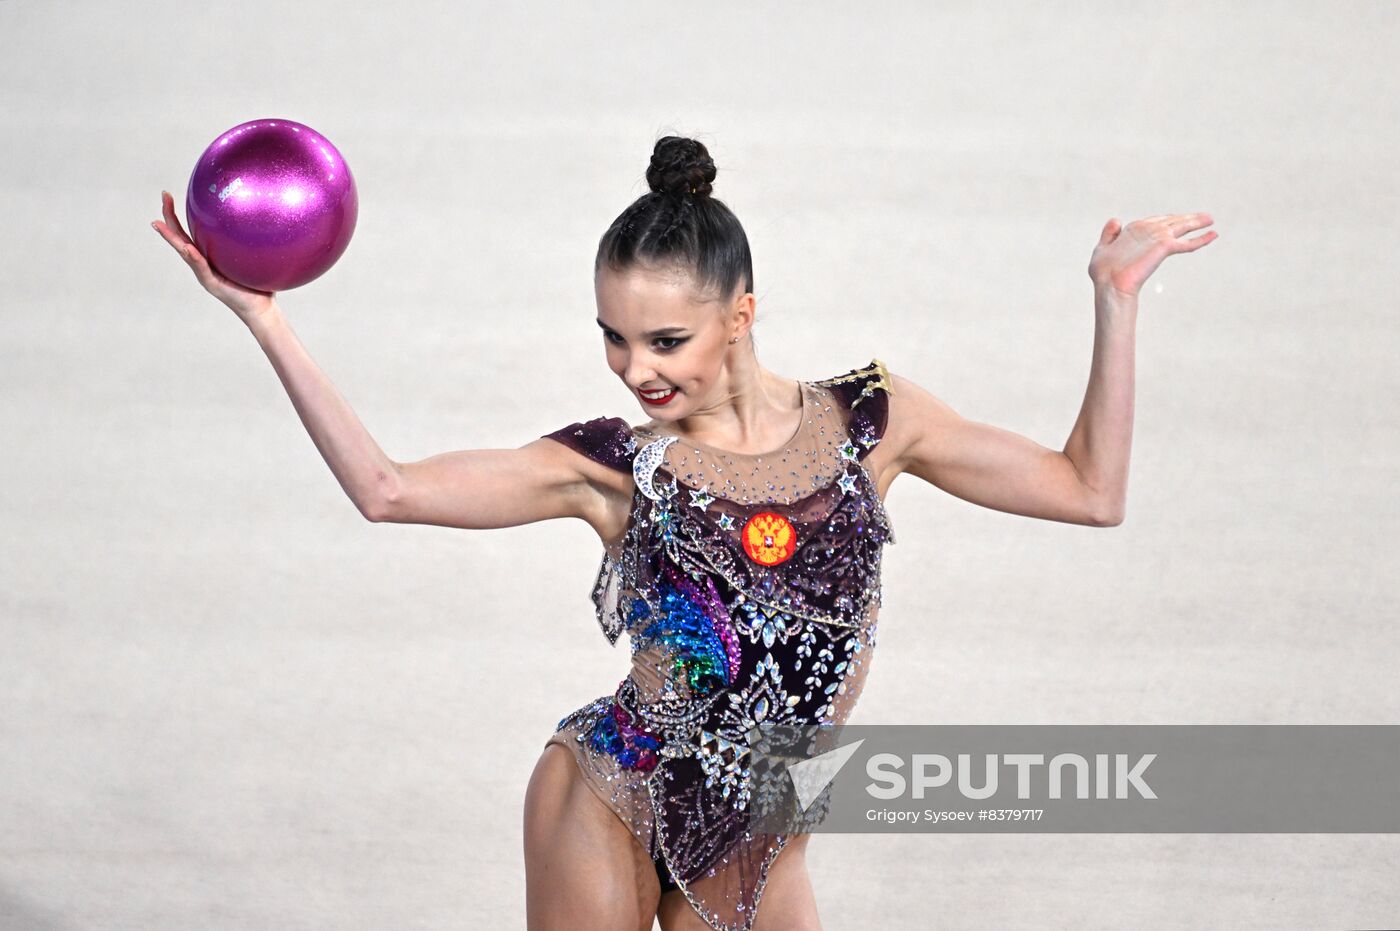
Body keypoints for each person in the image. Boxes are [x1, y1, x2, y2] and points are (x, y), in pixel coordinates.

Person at [152, 135, 1216, 931]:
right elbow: (386, 488)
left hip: (764, 810)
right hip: (611, 787)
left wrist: (1113, 303)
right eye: (613, 338)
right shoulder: (616, 464)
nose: (635, 369)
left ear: (740, 316)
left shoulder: (870, 421)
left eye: (666, 339)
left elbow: (1088, 490)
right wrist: (265, 319)